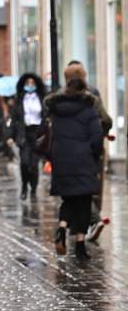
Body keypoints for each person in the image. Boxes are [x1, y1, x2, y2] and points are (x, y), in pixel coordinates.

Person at [45, 69, 103, 260]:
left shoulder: (56, 109)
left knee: (68, 199)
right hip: (83, 160)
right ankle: (79, 244)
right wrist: (94, 156)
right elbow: (96, 139)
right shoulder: (89, 110)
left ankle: (62, 228)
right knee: (83, 201)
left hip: (62, 160)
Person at [64, 61, 112, 242]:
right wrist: (99, 134)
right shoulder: (92, 97)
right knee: (93, 185)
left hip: (70, 151)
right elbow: (106, 120)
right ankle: (90, 220)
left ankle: (87, 221)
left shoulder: (60, 98)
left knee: (76, 187)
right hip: (92, 148)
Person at [10, 73, 45, 201]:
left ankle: (34, 188)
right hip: (23, 133)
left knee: (34, 165)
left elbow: (45, 116)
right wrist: (11, 136)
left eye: (32, 83)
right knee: (24, 162)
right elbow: (13, 118)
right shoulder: (19, 99)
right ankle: (24, 186)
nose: (30, 86)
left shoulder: (41, 98)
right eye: (27, 83)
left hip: (37, 133)